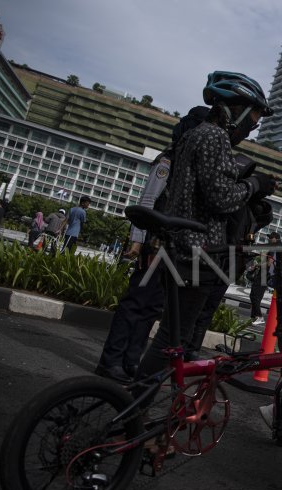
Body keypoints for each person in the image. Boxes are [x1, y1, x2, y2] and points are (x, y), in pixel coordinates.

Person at [135, 71, 278, 380]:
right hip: (199, 252)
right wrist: (255, 184)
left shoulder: (194, 134)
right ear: (234, 109)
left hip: (183, 247)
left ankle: (137, 408)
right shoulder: (215, 137)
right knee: (172, 341)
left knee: (172, 339)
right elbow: (223, 199)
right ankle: (132, 411)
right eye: (251, 121)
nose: (250, 130)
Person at [94, 107, 210, 383]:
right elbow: (147, 201)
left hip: (172, 249)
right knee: (135, 303)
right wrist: (137, 241)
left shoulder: (187, 165)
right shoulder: (167, 161)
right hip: (153, 243)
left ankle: (131, 361)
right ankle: (110, 361)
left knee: (152, 308)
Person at [247, 231, 279, 325]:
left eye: (271, 237)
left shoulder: (273, 249)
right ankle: (255, 317)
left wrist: (257, 265)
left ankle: (259, 317)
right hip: (263, 275)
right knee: (254, 295)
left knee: (255, 296)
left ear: (275, 239)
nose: (269, 239)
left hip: (264, 276)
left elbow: (269, 263)